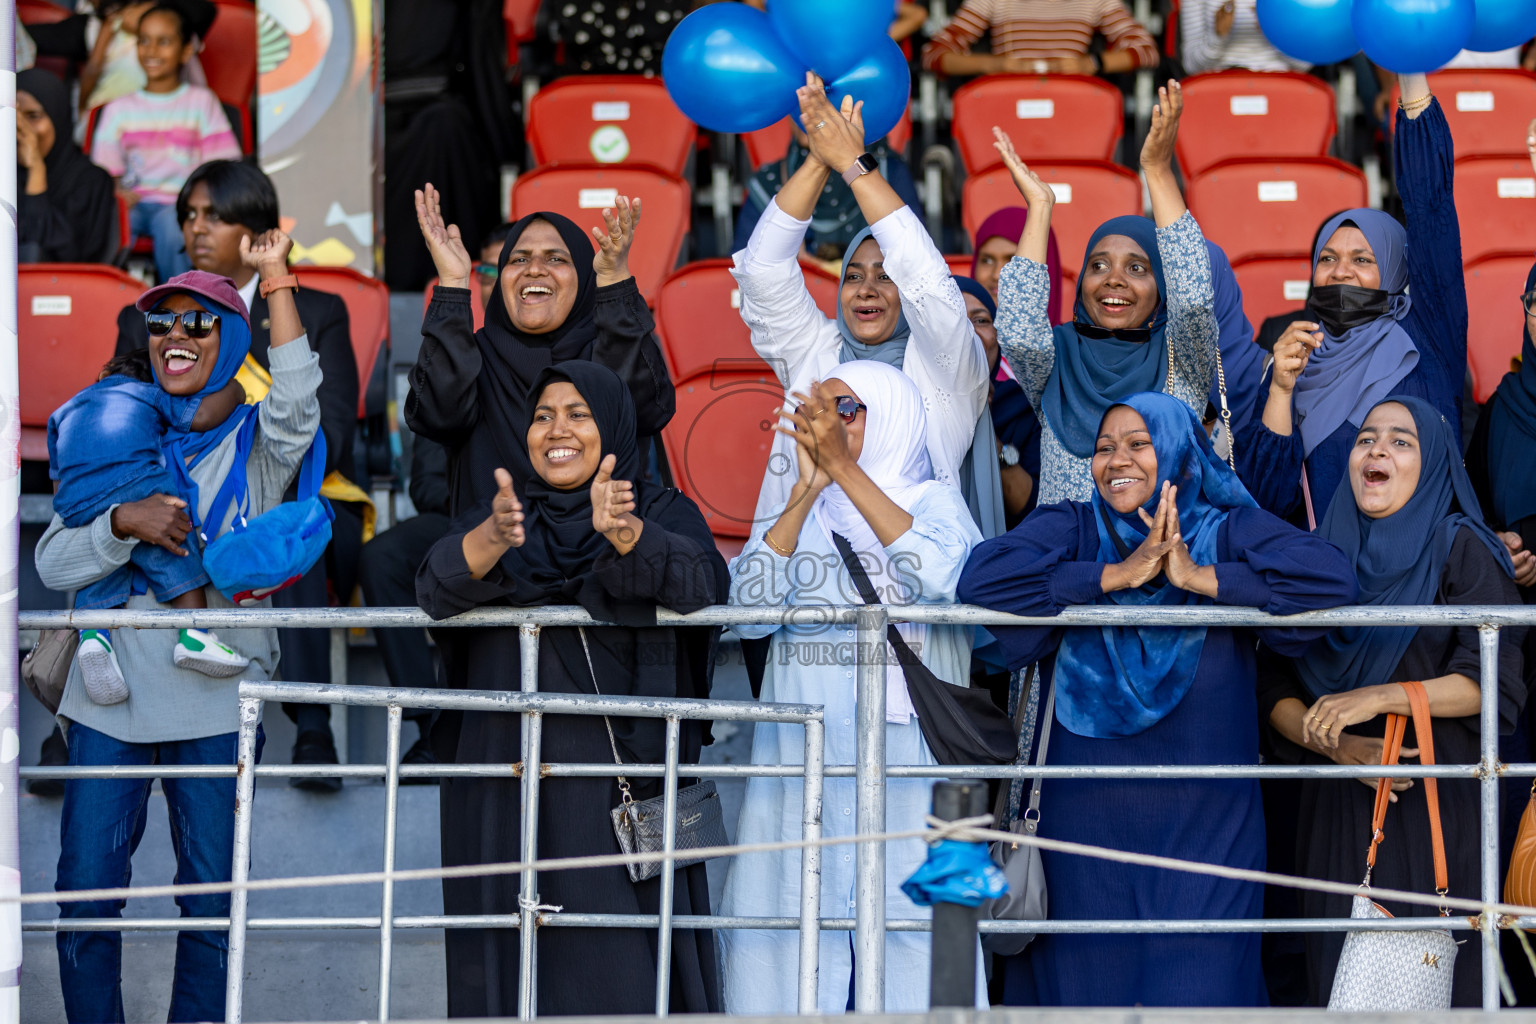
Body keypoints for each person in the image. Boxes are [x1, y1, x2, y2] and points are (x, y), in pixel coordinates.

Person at [957, 391, 1358, 1007]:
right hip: (1082, 832)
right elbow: (980, 578)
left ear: (1176, 449)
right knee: (1089, 995)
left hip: (1207, 831)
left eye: (1139, 443)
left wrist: (1201, 579)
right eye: (1104, 446)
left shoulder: (1225, 531)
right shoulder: (1076, 526)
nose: (1117, 459)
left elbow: (1330, 578)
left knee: (1199, 991)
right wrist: (1114, 576)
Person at [38, 233, 319, 1024]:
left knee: (212, 904)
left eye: (200, 324)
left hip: (218, 697)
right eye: (162, 325)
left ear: (230, 341)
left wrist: (276, 282)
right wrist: (122, 523)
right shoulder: (117, 428)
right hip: (111, 701)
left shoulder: (259, 443)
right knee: (85, 899)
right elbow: (56, 564)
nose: (177, 339)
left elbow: (299, 398)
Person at [416, 361, 726, 1017]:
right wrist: (494, 539)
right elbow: (432, 587)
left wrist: (627, 535)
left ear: (613, 424)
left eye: (578, 414)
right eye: (542, 415)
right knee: (511, 967)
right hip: (506, 789)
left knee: (620, 975)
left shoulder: (660, 507)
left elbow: (704, 587)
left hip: (615, 796)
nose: (556, 430)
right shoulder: (499, 514)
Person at [721, 363, 985, 1013]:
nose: (829, 424)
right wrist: (807, 491)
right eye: (822, 411)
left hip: (909, 762)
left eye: (850, 410)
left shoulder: (932, 502)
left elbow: (944, 575)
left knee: (911, 922)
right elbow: (745, 612)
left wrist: (846, 473)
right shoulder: (799, 505)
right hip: (804, 759)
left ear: (892, 414)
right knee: (793, 911)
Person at [1258, 397, 1525, 1006]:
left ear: (1434, 466)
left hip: (1432, 802)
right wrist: (1332, 739)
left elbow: (1490, 682)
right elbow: (1273, 681)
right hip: (1337, 811)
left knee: (1431, 990)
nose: (1377, 449)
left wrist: (1377, 697)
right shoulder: (1321, 558)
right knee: (1341, 987)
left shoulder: (1462, 548)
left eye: (1401, 441)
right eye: (1366, 439)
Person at [113, 159, 363, 784]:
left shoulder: (316, 311)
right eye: (188, 216)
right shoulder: (143, 318)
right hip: (178, 490)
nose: (196, 229)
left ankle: (312, 726)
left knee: (276, 524)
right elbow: (127, 424)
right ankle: (85, 717)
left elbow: (330, 430)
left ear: (255, 233)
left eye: (215, 216)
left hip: (298, 484)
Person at [736, 74, 994, 540]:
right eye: (853, 276)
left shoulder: (949, 366)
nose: (867, 289)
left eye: (885, 276)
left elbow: (924, 275)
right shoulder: (814, 351)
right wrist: (820, 158)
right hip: (810, 582)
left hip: (913, 590)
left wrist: (854, 165)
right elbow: (762, 273)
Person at [1237, 72, 1467, 526]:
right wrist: (1281, 391)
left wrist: (1410, 70)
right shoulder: (1297, 361)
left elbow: (1431, 206)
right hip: (1329, 584)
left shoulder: (1427, 336)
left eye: (1362, 258)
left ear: (1395, 270)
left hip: (1423, 580)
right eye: (1327, 258)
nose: (1341, 271)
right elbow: (1265, 502)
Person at [995, 81, 1219, 504]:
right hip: (1074, 562)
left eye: (1137, 268)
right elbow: (1019, 330)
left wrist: (1157, 172)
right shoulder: (1057, 358)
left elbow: (1192, 299)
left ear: (1160, 289)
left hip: (1166, 558)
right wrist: (1040, 207)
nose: (1113, 280)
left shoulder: (1182, 356)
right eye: (1098, 266)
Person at [406, 183, 675, 518]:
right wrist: (452, 283)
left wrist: (614, 279)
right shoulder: (471, 358)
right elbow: (436, 418)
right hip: (494, 559)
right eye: (518, 259)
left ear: (584, 280)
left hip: (603, 557)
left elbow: (647, 412)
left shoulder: (610, 350)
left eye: (555, 258)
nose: (534, 269)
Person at [48, 343, 250, 704]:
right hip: (136, 482)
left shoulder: (65, 409)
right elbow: (199, 417)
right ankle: (195, 634)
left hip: (74, 497)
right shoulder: (149, 393)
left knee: (103, 559)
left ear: (103, 376)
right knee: (172, 539)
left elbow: (57, 472)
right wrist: (237, 390)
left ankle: (94, 638)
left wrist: (78, 504)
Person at [89, 3, 240, 282]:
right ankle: (113, 306)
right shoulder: (119, 108)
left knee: (172, 229)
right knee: (108, 226)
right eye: (143, 41)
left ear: (185, 51)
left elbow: (223, 166)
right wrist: (117, 192)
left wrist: (195, 202)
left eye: (164, 42)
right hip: (132, 204)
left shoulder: (201, 103)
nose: (151, 51)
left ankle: (180, 304)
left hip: (180, 206)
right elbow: (102, 171)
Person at [358, 436, 452, 767]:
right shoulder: (455, 385)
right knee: (382, 558)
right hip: (464, 517)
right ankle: (430, 728)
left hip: (538, 517)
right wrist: (482, 506)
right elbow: (426, 485)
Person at [735, 119, 923, 270]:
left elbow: (916, 264)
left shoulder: (888, 172)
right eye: (797, 105)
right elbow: (745, 276)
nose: (805, 115)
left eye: (818, 105)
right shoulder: (768, 182)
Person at [957, 276, 1036, 525]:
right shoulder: (904, 402)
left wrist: (983, 424)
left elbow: (1032, 510)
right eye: (952, 318)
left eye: (981, 320)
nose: (969, 331)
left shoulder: (1021, 405)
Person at [16, 68, 116, 264]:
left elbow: (68, 254)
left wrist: (36, 170)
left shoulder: (91, 181)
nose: (21, 129)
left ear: (58, 116)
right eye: (14, 117)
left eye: (33, 116)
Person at [921, 0, 1158, 77]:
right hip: (1009, 98)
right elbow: (934, 54)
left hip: (1073, 99)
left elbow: (1146, 50)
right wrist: (996, 65)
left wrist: (1090, 63)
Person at [1179, 0, 1310, 73]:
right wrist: (1217, 36)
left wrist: (1273, 32)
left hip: (1280, 85)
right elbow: (1191, 66)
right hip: (1218, 88)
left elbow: (1304, 64)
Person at [971, 206, 1060, 312]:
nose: (996, 275)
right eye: (987, 261)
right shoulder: (956, 328)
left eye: (1013, 261)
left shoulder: (1070, 329)